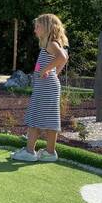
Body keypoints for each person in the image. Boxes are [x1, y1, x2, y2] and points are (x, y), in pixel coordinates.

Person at [11, 14, 69, 162]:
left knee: (35, 117)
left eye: (38, 26)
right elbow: (64, 57)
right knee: (50, 119)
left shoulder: (51, 43)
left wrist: (46, 70)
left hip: (46, 86)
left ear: (47, 27)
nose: (35, 30)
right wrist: (54, 71)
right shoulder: (51, 44)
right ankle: (50, 152)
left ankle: (29, 152)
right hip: (49, 85)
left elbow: (62, 57)